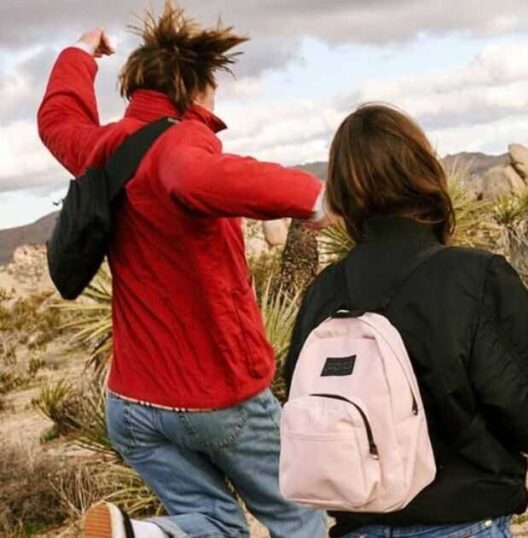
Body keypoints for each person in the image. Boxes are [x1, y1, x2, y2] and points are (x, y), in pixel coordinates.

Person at [38, 4, 329, 538]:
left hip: (131, 406)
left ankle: (141, 535)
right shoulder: (179, 143)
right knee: (301, 518)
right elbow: (195, 175)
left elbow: (58, 120)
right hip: (218, 397)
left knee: (217, 525)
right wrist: (318, 197)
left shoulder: (102, 148)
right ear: (193, 88)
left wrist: (80, 54)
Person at [283, 103, 528, 538]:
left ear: (342, 191)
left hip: (358, 525)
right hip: (463, 521)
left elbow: (305, 408)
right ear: (423, 170)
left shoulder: (324, 292)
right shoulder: (473, 277)